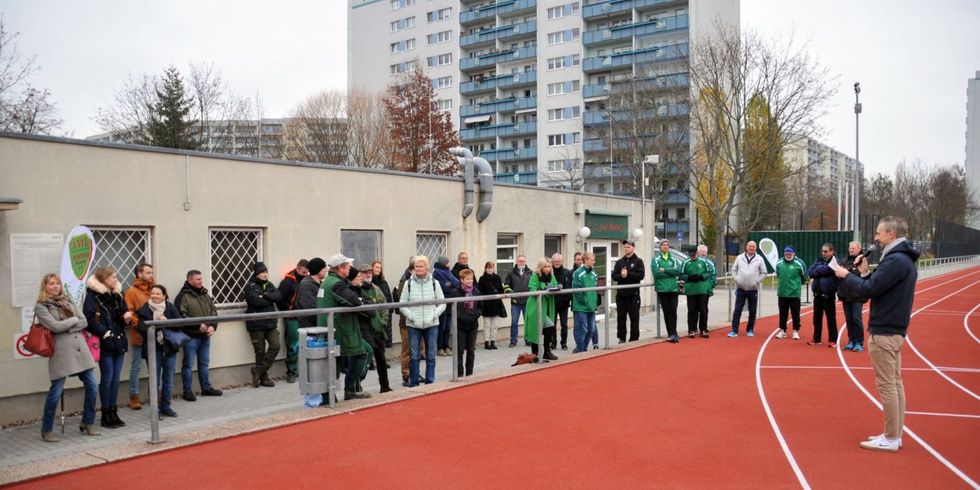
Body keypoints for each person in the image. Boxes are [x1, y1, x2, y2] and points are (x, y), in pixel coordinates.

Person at [831, 216, 918, 452]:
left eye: (879, 234)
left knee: (887, 385)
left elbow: (868, 290)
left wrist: (846, 275)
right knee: (895, 383)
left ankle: (891, 437)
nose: (876, 238)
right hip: (894, 328)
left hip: (886, 330)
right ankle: (894, 434)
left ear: (891, 234)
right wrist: (865, 272)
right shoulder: (902, 260)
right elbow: (877, 286)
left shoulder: (895, 260)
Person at [36, 273, 101, 441]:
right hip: (61, 353)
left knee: (93, 386)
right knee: (55, 392)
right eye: (51, 284)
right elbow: (55, 327)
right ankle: (47, 429)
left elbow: (84, 321)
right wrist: (73, 321)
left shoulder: (69, 300)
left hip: (80, 350)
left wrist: (68, 325)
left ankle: (87, 422)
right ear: (45, 287)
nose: (55, 286)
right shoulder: (42, 306)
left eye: (57, 283)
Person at [318, 254, 372, 400]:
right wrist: (364, 302)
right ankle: (346, 390)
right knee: (363, 352)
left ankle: (331, 395)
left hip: (335, 329)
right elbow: (353, 301)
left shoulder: (328, 281)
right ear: (340, 268)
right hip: (340, 330)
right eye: (348, 266)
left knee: (336, 361)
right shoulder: (336, 284)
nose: (350, 269)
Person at [84, 266, 131, 428]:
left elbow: (123, 315)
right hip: (105, 342)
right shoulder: (93, 296)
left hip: (119, 340)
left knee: (116, 379)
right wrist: (103, 332)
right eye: (113, 277)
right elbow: (88, 319)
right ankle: (105, 414)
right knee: (107, 378)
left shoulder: (117, 294)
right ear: (104, 279)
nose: (116, 280)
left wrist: (127, 318)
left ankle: (113, 411)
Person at [174, 270, 222, 400]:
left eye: (201, 279)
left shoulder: (205, 294)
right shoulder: (182, 296)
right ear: (190, 280)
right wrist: (197, 325)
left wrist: (213, 326)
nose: (201, 281)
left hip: (205, 336)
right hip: (190, 337)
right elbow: (180, 315)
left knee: (204, 363)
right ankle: (187, 391)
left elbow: (213, 311)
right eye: (197, 279)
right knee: (188, 364)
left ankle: (206, 388)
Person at [398, 255, 445, 387]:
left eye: (421, 266)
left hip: (432, 324)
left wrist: (434, 315)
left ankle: (430, 383)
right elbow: (402, 304)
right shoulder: (408, 284)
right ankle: (414, 383)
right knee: (414, 357)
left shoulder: (434, 283)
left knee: (430, 355)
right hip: (413, 325)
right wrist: (411, 316)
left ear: (426, 267)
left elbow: (442, 303)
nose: (418, 268)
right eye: (416, 266)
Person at [136, 284, 182, 419]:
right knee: (154, 380)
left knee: (168, 379)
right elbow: (141, 329)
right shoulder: (144, 309)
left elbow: (180, 322)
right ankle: (155, 410)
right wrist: (157, 325)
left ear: (164, 296)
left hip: (169, 348)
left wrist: (167, 321)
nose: (155, 296)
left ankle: (166, 406)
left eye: (158, 293)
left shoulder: (170, 307)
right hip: (153, 349)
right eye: (153, 293)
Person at [353, 264, 392, 394]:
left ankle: (385, 386)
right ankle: (356, 386)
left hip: (377, 330)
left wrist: (382, 322)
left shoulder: (376, 289)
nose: (368, 275)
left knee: (381, 359)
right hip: (362, 331)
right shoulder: (356, 290)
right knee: (362, 359)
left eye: (370, 272)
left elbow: (385, 306)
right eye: (365, 273)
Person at [244, 262, 282, 388]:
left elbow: (278, 296)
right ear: (256, 273)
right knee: (260, 352)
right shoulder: (250, 286)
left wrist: (264, 295)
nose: (265, 274)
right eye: (262, 272)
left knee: (275, 346)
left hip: (270, 323)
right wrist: (268, 298)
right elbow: (255, 301)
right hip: (256, 324)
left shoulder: (269, 285)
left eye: (266, 272)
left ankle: (258, 371)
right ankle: (264, 378)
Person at [123, 262, 153, 410]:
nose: (151, 275)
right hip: (139, 336)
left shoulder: (154, 290)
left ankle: (155, 394)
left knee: (154, 366)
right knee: (136, 366)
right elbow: (129, 313)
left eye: (151, 272)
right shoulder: (131, 292)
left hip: (155, 336)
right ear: (139, 274)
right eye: (148, 272)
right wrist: (141, 326)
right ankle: (133, 397)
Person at [277, 259, 309, 384]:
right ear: (298, 268)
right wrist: (287, 312)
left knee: (307, 344)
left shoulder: (305, 281)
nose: (306, 274)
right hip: (292, 317)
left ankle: (305, 370)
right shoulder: (287, 282)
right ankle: (291, 372)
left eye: (307, 273)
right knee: (293, 345)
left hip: (304, 316)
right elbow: (280, 300)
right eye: (304, 272)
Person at [729, 241, 767, 337]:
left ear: (756, 248)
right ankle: (734, 330)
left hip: (753, 289)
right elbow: (733, 269)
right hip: (741, 288)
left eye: (753, 246)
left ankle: (750, 330)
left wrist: (757, 281)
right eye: (750, 246)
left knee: (752, 311)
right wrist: (737, 279)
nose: (751, 248)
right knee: (737, 310)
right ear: (746, 247)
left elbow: (764, 272)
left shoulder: (759, 259)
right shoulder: (739, 257)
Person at [525, 257, 559, 361]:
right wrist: (543, 289)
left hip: (546, 306)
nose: (547, 269)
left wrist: (558, 287)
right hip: (535, 307)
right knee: (536, 330)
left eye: (549, 266)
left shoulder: (551, 276)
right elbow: (532, 288)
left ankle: (546, 352)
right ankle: (535, 355)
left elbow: (554, 285)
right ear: (540, 267)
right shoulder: (535, 275)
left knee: (550, 327)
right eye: (545, 266)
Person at [612, 239, 645, 343]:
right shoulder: (619, 262)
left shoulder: (638, 261)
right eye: (625, 247)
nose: (626, 249)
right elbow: (614, 276)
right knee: (621, 318)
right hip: (621, 296)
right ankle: (622, 338)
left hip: (633, 295)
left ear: (633, 248)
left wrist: (628, 274)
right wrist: (622, 276)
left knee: (634, 318)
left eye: (628, 247)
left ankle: (634, 338)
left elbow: (641, 275)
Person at [807, 243, 839, 348]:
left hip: (828, 295)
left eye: (825, 251)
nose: (823, 253)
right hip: (817, 294)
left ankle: (833, 339)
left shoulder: (835, 262)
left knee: (831, 318)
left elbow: (829, 270)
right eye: (822, 251)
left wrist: (819, 270)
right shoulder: (818, 260)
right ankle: (816, 338)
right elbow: (810, 272)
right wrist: (821, 269)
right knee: (816, 318)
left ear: (831, 251)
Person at [652, 239, 681, 343]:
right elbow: (656, 273)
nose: (665, 246)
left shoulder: (673, 258)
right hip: (662, 289)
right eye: (663, 245)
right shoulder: (656, 259)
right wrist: (671, 272)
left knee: (673, 311)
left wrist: (664, 270)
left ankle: (674, 332)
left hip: (673, 288)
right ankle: (671, 333)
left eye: (667, 245)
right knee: (667, 312)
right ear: (660, 247)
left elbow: (678, 271)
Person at [680, 246, 713, 338]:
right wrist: (689, 277)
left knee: (703, 310)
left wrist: (701, 277)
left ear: (697, 253)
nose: (692, 256)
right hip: (691, 290)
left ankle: (703, 329)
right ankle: (691, 329)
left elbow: (709, 273)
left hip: (702, 289)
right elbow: (681, 275)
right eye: (691, 255)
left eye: (694, 254)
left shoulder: (703, 262)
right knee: (691, 311)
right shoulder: (685, 262)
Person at [840, 241, 867, 352]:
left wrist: (849, 272)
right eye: (850, 248)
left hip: (857, 295)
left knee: (856, 318)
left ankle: (859, 342)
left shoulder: (863, 260)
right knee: (849, 319)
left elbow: (861, 275)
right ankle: (851, 341)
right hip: (845, 295)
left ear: (859, 249)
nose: (851, 250)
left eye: (853, 248)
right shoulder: (845, 261)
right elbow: (840, 274)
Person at [774, 247, 806, 340]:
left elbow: (804, 277)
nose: (788, 255)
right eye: (786, 253)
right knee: (782, 313)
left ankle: (796, 330)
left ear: (793, 254)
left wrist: (796, 285)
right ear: (784, 254)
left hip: (794, 294)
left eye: (790, 253)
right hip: (782, 293)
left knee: (795, 313)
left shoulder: (799, 263)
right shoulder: (779, 263)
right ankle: (782, 330)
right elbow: (778, 274)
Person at [456, 269, 483, 376]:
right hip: (460, 325)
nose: (470, 281)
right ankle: (459, 373)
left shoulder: (476, 291)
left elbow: (481, 306)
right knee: (460, 350)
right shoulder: (456, 292)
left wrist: (476, 315)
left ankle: (469, 373)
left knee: (471, 350)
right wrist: (460, 316)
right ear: (462, 280)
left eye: (471, 279)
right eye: (467, 279)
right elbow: (452, 307)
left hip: (473, 324)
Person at [433, 256, 461, 356]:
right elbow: (442, 287)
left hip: (450, 303)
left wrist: (451, 285)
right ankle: (439, 347)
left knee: (448, 327)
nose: (449, 263)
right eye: (448, 261)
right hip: (442, 303)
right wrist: (451, 286)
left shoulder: (448, 271)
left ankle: (446, 346)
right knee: (442, 326)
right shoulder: (437, 272)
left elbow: (457, 283)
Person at [571, 252, 599, 353]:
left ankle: (583, 348)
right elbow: (576, 290)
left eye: (594, 260)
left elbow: (595, 289)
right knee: (583, 329)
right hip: (581, 307)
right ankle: (581, 349)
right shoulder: (578, 273)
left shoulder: (594, 273)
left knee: (591, 329)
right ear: (586, 260)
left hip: (591, 306)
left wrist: (594, 302)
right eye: (592, 260)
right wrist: (585, 301)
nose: (594, 262)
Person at [504, 255, 532, 347]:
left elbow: (533, 286)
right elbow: (506, 285)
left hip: (527, 302)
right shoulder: (511, 273)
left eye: (523, 261)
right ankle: (513, 341)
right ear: (517, 261)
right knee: (514, 322)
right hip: (515, 302)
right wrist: (510, 292)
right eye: (520, 261)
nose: (521, 263)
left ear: (525, 262)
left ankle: (528, 340)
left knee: (527, 322)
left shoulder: (530, 273)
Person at [477, 261, 506, 350]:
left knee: (495, 325)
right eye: (488, 267)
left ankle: (493, 341)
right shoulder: (482, 279)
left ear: (494, 268)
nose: (490, 269)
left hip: (496, 304)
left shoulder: (497, 278)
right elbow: (480, 291)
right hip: (486, 305)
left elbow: (501, 290)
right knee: (487, 325)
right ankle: (486, 342)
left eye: (491, 267)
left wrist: (498, 294)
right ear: (485, 269)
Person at [297, 257, 328, 330]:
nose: (326, 270)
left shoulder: (320, 284)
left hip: (319, 327)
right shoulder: (307, 286)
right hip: (310, 330)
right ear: (318, 270)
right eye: (324, 267)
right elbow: (311, 308)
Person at [551, 253, 573, 350]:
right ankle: (553, 343)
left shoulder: (567, 272)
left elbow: (569, 287)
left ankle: (563, 343)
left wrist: (566, 299)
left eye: (558, 261)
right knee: (552, 324)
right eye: (555, 261)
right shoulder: (549, 272)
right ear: (552, 262)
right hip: (552, 303)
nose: (557, 263)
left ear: (562, 261)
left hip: (564, 303)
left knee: (564, 324)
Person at [371, 260, 395, 348]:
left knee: (386, 337)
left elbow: (389, 296)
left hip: (386, 312)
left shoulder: (384, 282)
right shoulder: (370, 282)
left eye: (380, 268)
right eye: (377, 267)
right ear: (372, 268)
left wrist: (390, 309)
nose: (379, 269)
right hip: (376, 313)